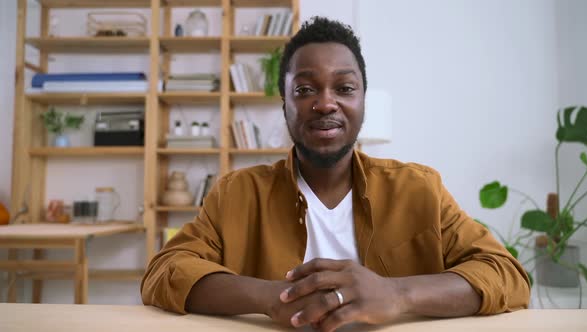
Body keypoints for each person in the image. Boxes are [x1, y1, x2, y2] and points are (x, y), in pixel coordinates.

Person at [141, 17, 530, 332]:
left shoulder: (419, 189)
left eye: (344, 87)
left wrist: (397, 295)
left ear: (362, 100)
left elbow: (505, 274)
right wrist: (272, 298)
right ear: (285, 105)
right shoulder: (236, 194)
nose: (325, 103)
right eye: (306, 89)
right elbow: (165, 272)